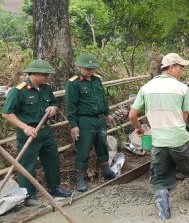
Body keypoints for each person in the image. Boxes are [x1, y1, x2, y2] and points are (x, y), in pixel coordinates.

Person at [129, 53, 189, 220]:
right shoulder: (182, 88)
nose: (182, 72)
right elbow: (184, 117)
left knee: (159, 179)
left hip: (158, 142)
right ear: (171, 68)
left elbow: (132, 115)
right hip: (179, 140)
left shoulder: (146, 88)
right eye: (180, 68)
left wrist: (139, 128)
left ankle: (164, 215)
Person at [2, 60, 71, 206]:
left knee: (52, 159)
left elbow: (53, 103)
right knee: (27, 164)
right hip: (28, 133)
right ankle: (28, 196)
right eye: (44, 74)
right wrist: (24, 127)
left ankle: (54, 187)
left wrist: (53, 108)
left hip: (45, 130)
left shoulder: (46, 89)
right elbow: (7, 114)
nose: (47, 77)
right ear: (33, 73)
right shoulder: (18, 91)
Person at [66, 54, 116, 192]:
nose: (90, 71)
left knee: (101, 144)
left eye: (92, 68)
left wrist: (108, 113)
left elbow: (102, 99)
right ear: (80, 67)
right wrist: (74, 125)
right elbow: (71, 106)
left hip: (99, 119)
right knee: (83, 148)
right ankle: (80, 179)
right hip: (84, 120)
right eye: (87, 68)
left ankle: (106, 170)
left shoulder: (97, 80)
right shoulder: (74, 83)